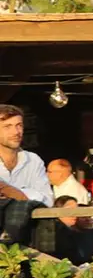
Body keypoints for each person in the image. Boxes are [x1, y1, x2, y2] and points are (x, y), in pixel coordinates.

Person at [0, 104, 53, 246]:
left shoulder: (33, 160)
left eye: (19, 125)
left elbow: (47, 200)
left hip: (28, 237)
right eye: (7, 126)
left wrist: (15, 193)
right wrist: (29, 195)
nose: (16, 131)